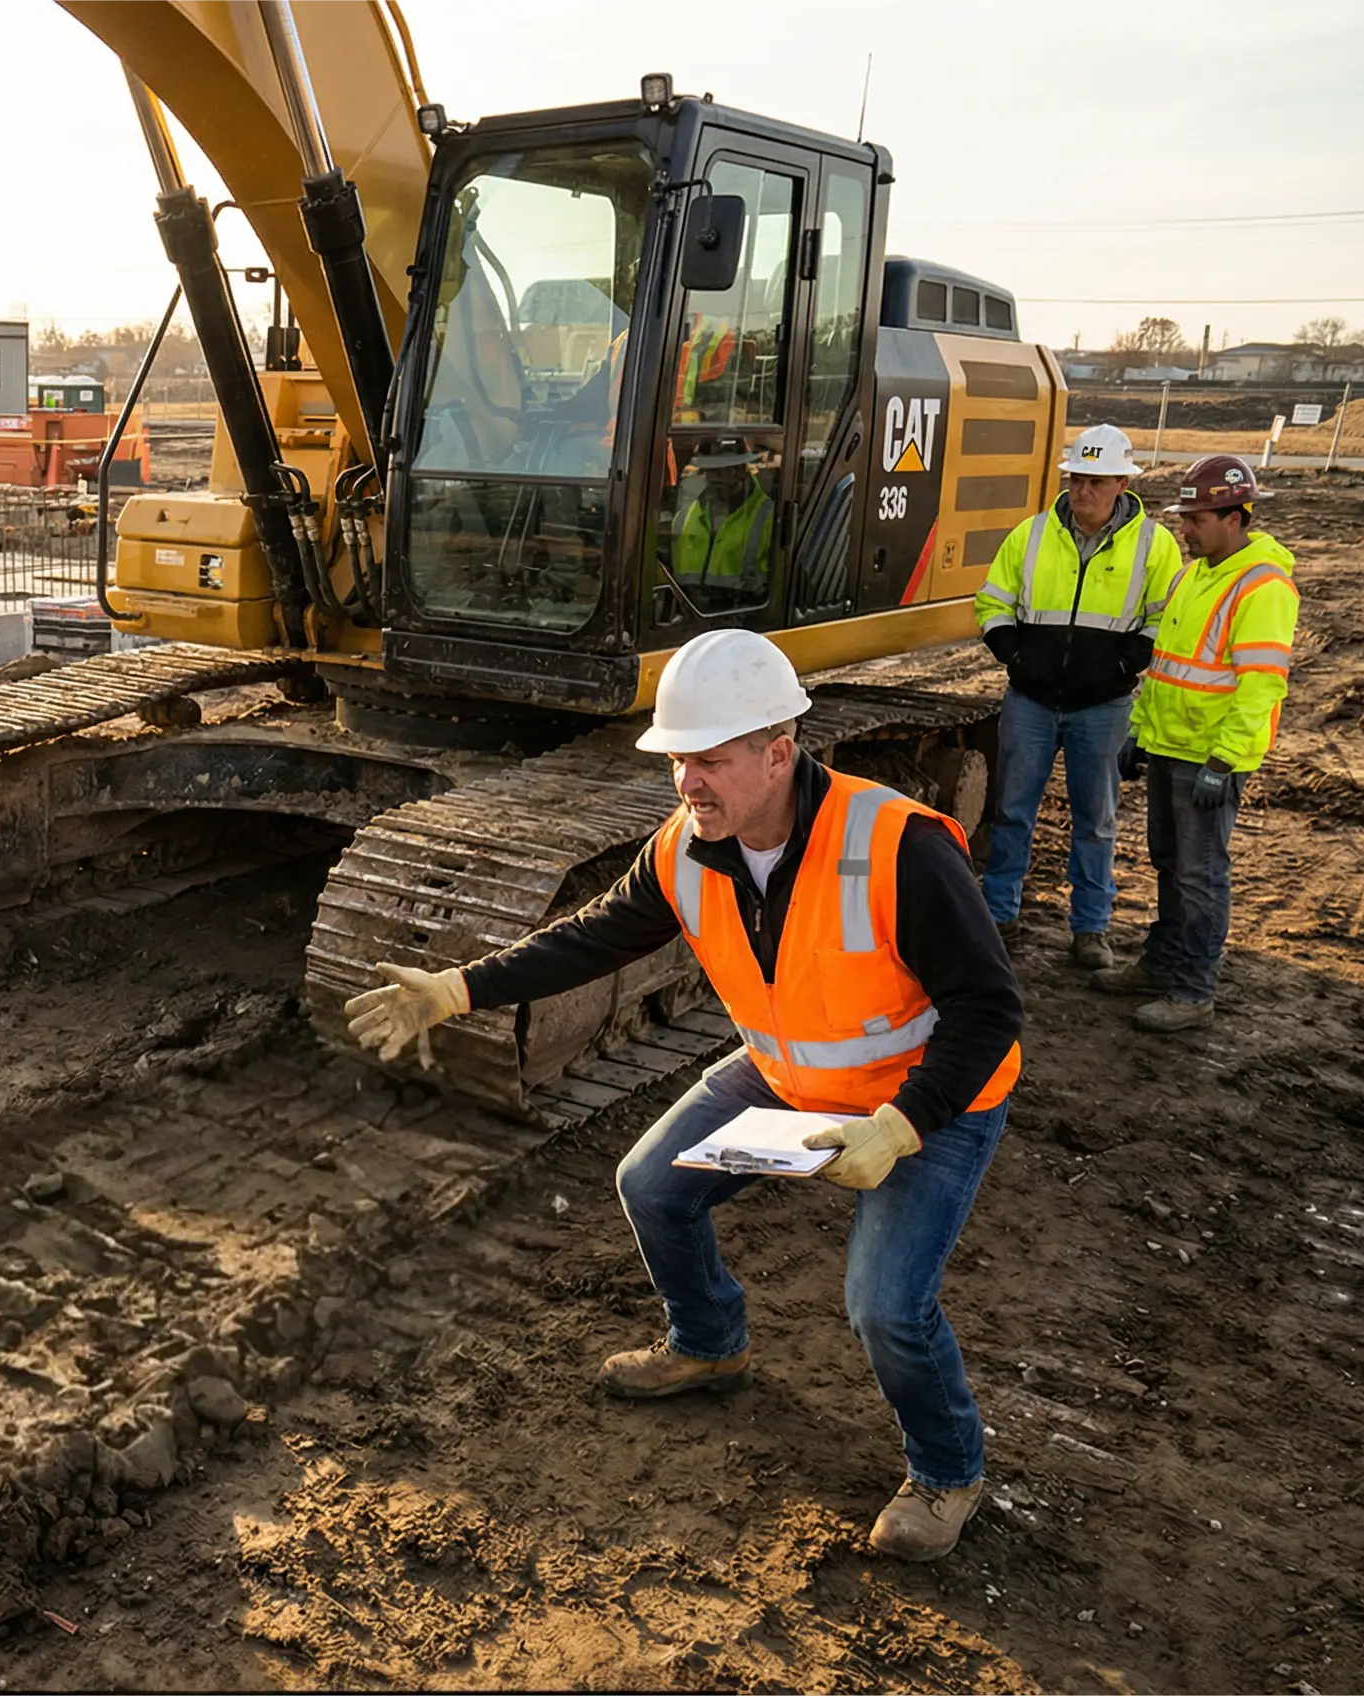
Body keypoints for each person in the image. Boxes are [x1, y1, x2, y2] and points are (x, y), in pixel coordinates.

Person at [343, 629, 1023, 1562]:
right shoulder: (687, 849)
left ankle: (949, 1472)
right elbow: (595, 936)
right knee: (652, 1184)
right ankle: (709, 1344)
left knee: (884, 1305)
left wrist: (901, 1128)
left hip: (925, 1101)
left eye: (708, 760)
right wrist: (457, 989)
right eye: (676, 762)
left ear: (779, 752)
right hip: (789, 1079)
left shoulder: (898, 845)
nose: (687, 783)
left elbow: (990, 1011)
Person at [1092, 453, 1298, 1032]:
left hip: (1209, 755)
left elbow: (1260, 686)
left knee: (1201, 875)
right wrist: (1139, 732)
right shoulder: (1193, 575)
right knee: (1168, 863)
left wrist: (1224, 760)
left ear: (1235, 516)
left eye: (1197, 519)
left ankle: (1193, 990)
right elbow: (1165, 668)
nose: (1185, 529)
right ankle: (1163, 963)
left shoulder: (1263, 586)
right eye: (1185, 517)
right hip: (1169, 746)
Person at [972, 423, 1184, 967]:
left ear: (1121, 484)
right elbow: (993, 602)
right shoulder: (1033, 534)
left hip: (1103, 707)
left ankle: (1091, 929)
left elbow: (1166, 619)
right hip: (1031, 701)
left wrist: (1121, 665)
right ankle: (1000, 913)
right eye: (1075, 479)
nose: (1082, 490)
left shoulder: (1155, 544)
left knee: (1096, 820)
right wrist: (1015, 657)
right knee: (1013, 811)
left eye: (1095, 480)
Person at [673, 439, 775, 608]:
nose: (714, 479)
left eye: (724, 471)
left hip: (743, 617)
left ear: (742, 470)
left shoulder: (766, 514)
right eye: (710, 471)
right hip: (688, 614)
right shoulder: (686, 514)